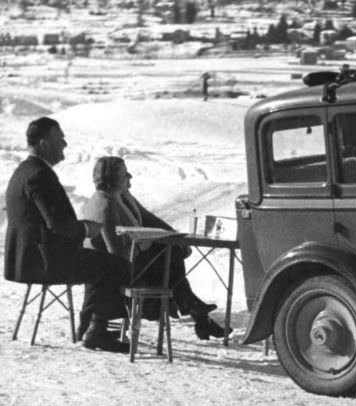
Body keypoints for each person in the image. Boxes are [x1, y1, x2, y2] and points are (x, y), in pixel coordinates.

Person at [4, 117, 130, 352]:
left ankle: (93, 327)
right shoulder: (39, 175)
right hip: (45, 261)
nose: (65, 143)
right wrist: (86, 229)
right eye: (59, 137)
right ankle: (97, 331)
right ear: (44, 143)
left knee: (99, 264)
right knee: (116, 265)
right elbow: (58, 224)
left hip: (28, 258)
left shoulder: (25, 170)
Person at [81, 156, 228, 340]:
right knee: (169, 256)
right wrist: (146, 245)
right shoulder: (105, 205)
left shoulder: (119, 197)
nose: (130, 176)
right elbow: (117, 254)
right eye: (124, 173)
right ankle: (196, 311)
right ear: (113, 178)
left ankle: (196, 311)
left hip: (126, 265)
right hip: (115, 274)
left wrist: (175, 237)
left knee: (170, 254)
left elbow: (149, 218)